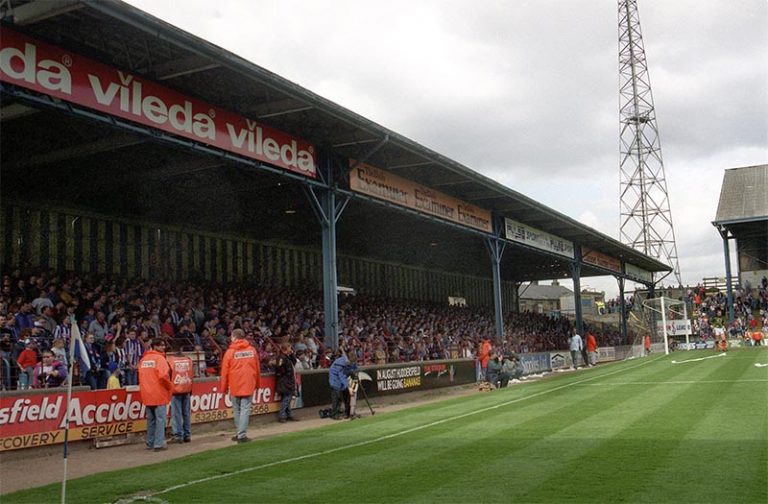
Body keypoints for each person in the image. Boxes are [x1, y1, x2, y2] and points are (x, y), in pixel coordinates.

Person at [220, 328, 261, 443]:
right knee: (244, 409)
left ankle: (240, 433)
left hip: (234, 385)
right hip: (248, 384)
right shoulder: (252, 350)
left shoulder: (230, 352)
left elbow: (224, 372)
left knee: (237, 410)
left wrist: (223, 388)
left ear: (234, 337)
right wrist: (257, 384)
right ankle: (241, 434)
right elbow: (257, 369)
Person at [138, 338, 172, 452]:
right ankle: (159, 443)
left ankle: (150, 442)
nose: (163, 347)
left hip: (147, 394)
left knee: (151, 420)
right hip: (158, 393)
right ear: (156, 346)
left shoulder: (143, 360)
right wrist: (170, 386)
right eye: (161, 345)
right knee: (160, 419)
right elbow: (163, 376)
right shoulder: (160, 359)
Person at [167, 350, 194, 443]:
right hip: (187, 388)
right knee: (186, 413)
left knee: (176, 414)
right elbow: (192, 375)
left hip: (176, 389)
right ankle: (187, 435)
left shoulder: (170, 361)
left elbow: (168, 375)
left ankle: (178, 435)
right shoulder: (188, 360)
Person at [328, 349, 357, 420]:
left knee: (347, 397)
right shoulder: (340, 363)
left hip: (344, 381)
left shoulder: (351, 362)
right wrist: (349, 387)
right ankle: (334, 414)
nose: (352, 363)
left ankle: (348, 413)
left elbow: (354, 368)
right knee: (336, 398)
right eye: (351, 362)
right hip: (335, 380)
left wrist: (353, 372)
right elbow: (342, 376)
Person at [274, 341, 299, 423]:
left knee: (287, 398)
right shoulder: (281, 357)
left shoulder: (287, 357)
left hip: (288, 381)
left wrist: (292, 354)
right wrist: (286, 375)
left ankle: (289, 414)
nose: (291, 349)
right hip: (284, 381)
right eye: (290, 347)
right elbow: (279, 369)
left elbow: (294, 362)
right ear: (286, 348)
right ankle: (282, 415)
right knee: (287, 398)